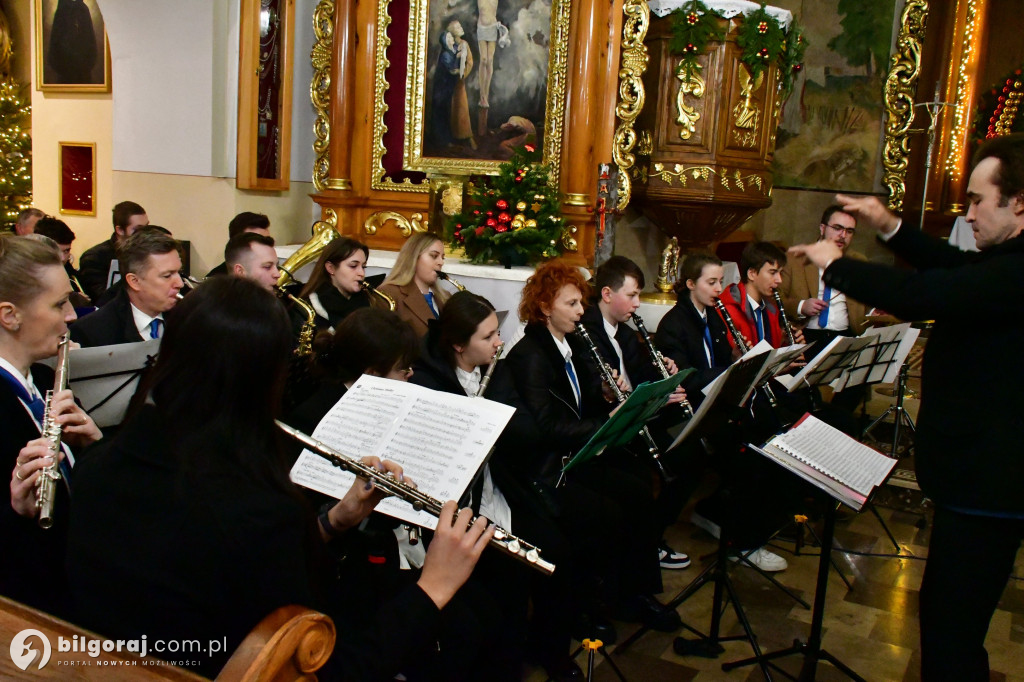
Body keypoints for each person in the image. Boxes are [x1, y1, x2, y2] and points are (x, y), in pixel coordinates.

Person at [66, 278, 493, 679]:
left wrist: (333, 522)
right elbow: (327, 666)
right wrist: (433, 587)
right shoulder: (258, 512)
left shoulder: (95, 466)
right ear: (263, 380)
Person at [788, 133, 1024, 681]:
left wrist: (836, 264)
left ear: (1019, 202)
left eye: (977, 201)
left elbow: (927, 294)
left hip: (990, 481)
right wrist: (888, 225)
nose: (967, 213)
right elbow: (954, 265)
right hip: (979, 480)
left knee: (950, 631)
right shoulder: (1006, 261)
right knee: (949, 623)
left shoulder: (1014, 272)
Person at [504, 259, 681, 632]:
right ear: (544, 307)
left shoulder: (568, 344)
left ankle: (631, 593)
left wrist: (605, 395)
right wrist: (605, 423)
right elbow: (547, 425)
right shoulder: (530, 355)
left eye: (580, 303)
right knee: (608, 510)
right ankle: (589, 602)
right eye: (571, 304)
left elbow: (580, 401)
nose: (581, 311)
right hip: (550, 467)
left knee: (637, 485)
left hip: (577, 452)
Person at [0, 235, 102, 620]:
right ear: (10, 315)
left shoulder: (45, 380)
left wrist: (94, 445)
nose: (73, 315)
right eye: (60, 304)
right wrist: (15, 510)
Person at [577, 256, 691, 570]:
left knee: (691, 447)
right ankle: (646, 542)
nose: (638, 304)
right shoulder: (586, 332)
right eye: (632, 295)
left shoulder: (626, 334)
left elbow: (641, 378)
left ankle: (650, 536)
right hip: (611, 425)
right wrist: (653, 399)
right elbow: (599, 395)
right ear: (607, 294)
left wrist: (663, 375)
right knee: (667, 465)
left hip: (636, 416)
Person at [70, 228, 183, 346]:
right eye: (167, 276)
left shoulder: (188, 319)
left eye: (179, 272)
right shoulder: (91, 332)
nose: (180, 283)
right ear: (134, 281)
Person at [779, 205, 870, 346]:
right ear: (822, 228)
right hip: (806, 336)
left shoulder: (859, 262)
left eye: (849, 231)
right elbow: (774, 300)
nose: (843, 235)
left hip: (847, 336)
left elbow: (868, 302)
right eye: (837, 228)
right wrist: (801, 306)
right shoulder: (794, 259)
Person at [297, 237, 388, 332]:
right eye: (353, 266)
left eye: (363, 267)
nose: (361, 273)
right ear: (331, 268)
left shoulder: (370, 301)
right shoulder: (306, 311)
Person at [379, 233, 449, 337]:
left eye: (442, 257)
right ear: (414, 257)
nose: (441, 262)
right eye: (434, 256)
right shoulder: (389, 294)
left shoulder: (446, 296)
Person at [78, 200, 149, 301]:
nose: (144, 234)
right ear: (120, 230)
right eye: (137, 230)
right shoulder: (94, 257)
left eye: (146, 228)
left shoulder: (146, 252)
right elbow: (101, 298)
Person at [430, 20, 475, 150]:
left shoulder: (462, 44)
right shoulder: (448, 50)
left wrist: (462, 74)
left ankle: (464, 136)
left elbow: (469, 62)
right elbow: (450, 65)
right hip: (447, 86)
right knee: (448, 110)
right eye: (458, 27)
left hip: (458, 82)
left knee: (461, 108)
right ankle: (448, 139)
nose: (461, 28)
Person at [32, 216, 89, 304]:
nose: (62, 258)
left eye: (66, 251)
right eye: (56, 251)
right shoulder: (27, 276)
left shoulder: (71, 274)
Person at [207, 211, 271, 277]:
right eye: (258, 242)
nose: (267, 247)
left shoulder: (274, 272)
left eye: (268, 241)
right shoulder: (215, 281)